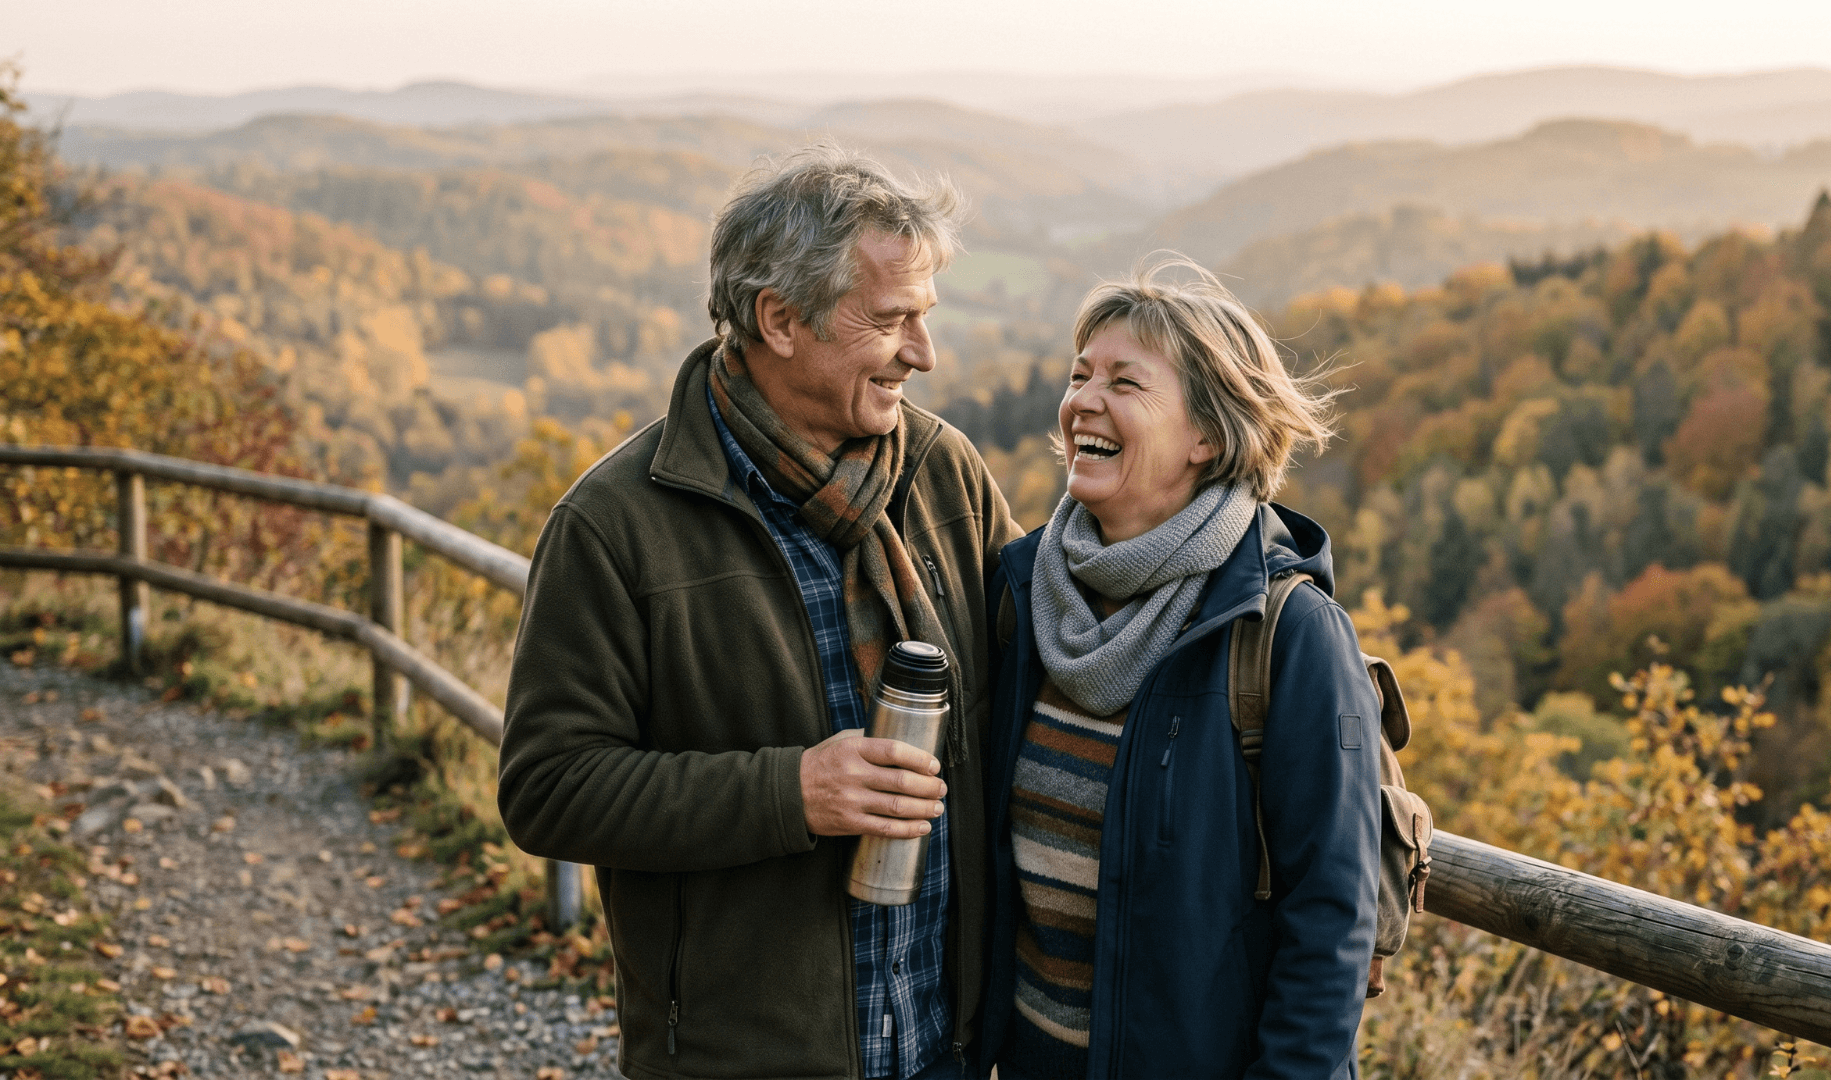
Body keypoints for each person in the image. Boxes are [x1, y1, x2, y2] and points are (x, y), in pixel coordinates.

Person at [497, 146, 1020, 1080]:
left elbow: (1054, 659)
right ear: (779, 319)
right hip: (741, 1057)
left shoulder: (945, 474)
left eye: (924, 317)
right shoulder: (615, 526)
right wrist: (792, 793)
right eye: (890, 319)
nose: (923, 353)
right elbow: (549, 788)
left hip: (944, 1045)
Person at [980, 259, 1381, 1078]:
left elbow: (1331, 921)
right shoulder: (1024, 595)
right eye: (1080, 375)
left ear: (1208, 437)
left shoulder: (1289, 635)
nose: (1083, 401)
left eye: (1125, 382)